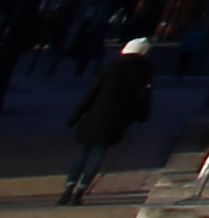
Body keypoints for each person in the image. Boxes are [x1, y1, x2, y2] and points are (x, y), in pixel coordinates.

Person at [56, 36, 149, 206]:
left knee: (83, 152)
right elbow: (143, 98)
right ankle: (80, 192)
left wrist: (75, 116)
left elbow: (92, 94)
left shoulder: (113, 67)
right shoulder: (144, 71)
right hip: (117, 119)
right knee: (99, 154)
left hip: (95, 115)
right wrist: (139, 116)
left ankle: (68, 190)